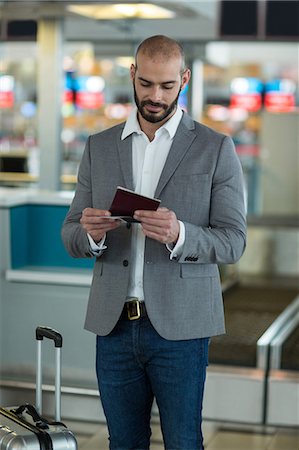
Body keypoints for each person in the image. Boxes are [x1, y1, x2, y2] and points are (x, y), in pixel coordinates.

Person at [61, 35, 247, 450]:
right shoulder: (99, 146)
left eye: (166, 86)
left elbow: (234, 242)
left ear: (184, 79)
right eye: (145, 84)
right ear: (132, 75)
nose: (155, 96)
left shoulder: (215, 149)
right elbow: (71, 233)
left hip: (181, 330)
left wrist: (181, 234)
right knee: (123, 442)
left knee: (183, 441)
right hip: (113, 327)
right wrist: (88, 235)